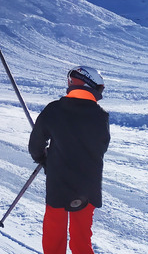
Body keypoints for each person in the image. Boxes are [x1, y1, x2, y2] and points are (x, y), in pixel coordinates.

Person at [28, 66, 110, 254]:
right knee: (81, 238)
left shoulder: (54, 110)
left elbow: (35, 145)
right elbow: (102, 146)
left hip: (59, 183)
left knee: (54, 234)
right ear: (90, 85)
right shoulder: (101, 116)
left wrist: (44, 159)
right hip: (88, 186)